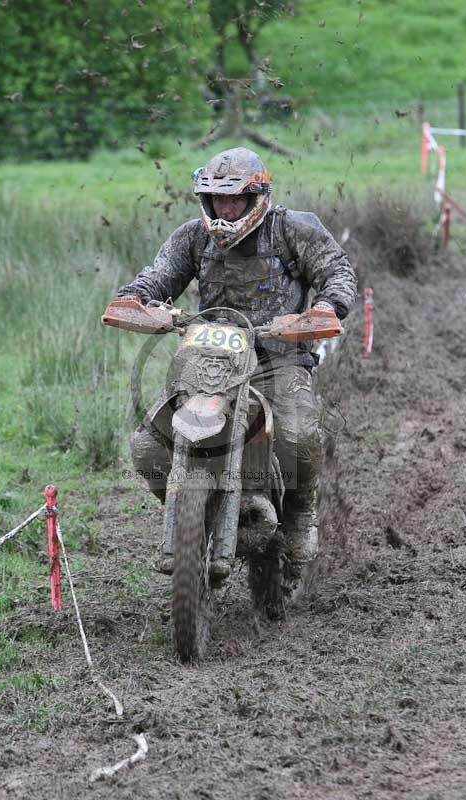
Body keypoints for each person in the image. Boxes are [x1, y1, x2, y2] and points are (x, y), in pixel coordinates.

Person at [116, 147, 357, 588]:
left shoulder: (291, 230)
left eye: (234, 201)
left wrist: (322, 309)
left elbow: (336, 271)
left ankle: (301, 514)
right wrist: (137, 298)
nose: (225, 209)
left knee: (299, 431)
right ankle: (193, 513)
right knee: (148, 443)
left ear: (256, 198)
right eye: (216, 200)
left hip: (278, 358)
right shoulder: (193, 237)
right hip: (210, 359)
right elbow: (158, 276)